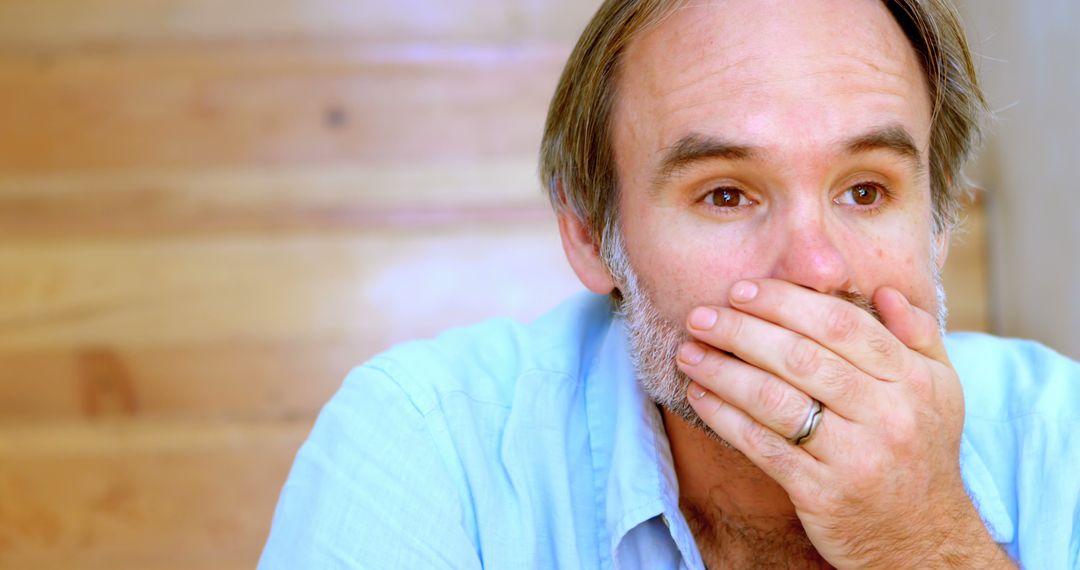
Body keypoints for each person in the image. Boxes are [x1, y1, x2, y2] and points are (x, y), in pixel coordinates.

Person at [259, 0, 1080, 567]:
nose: (819, 271)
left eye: (866, 191)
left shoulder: (1062, 439)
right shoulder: (429, 444)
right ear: (590, 235)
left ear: (936, 225)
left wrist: (924, 545)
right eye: (725, 194)